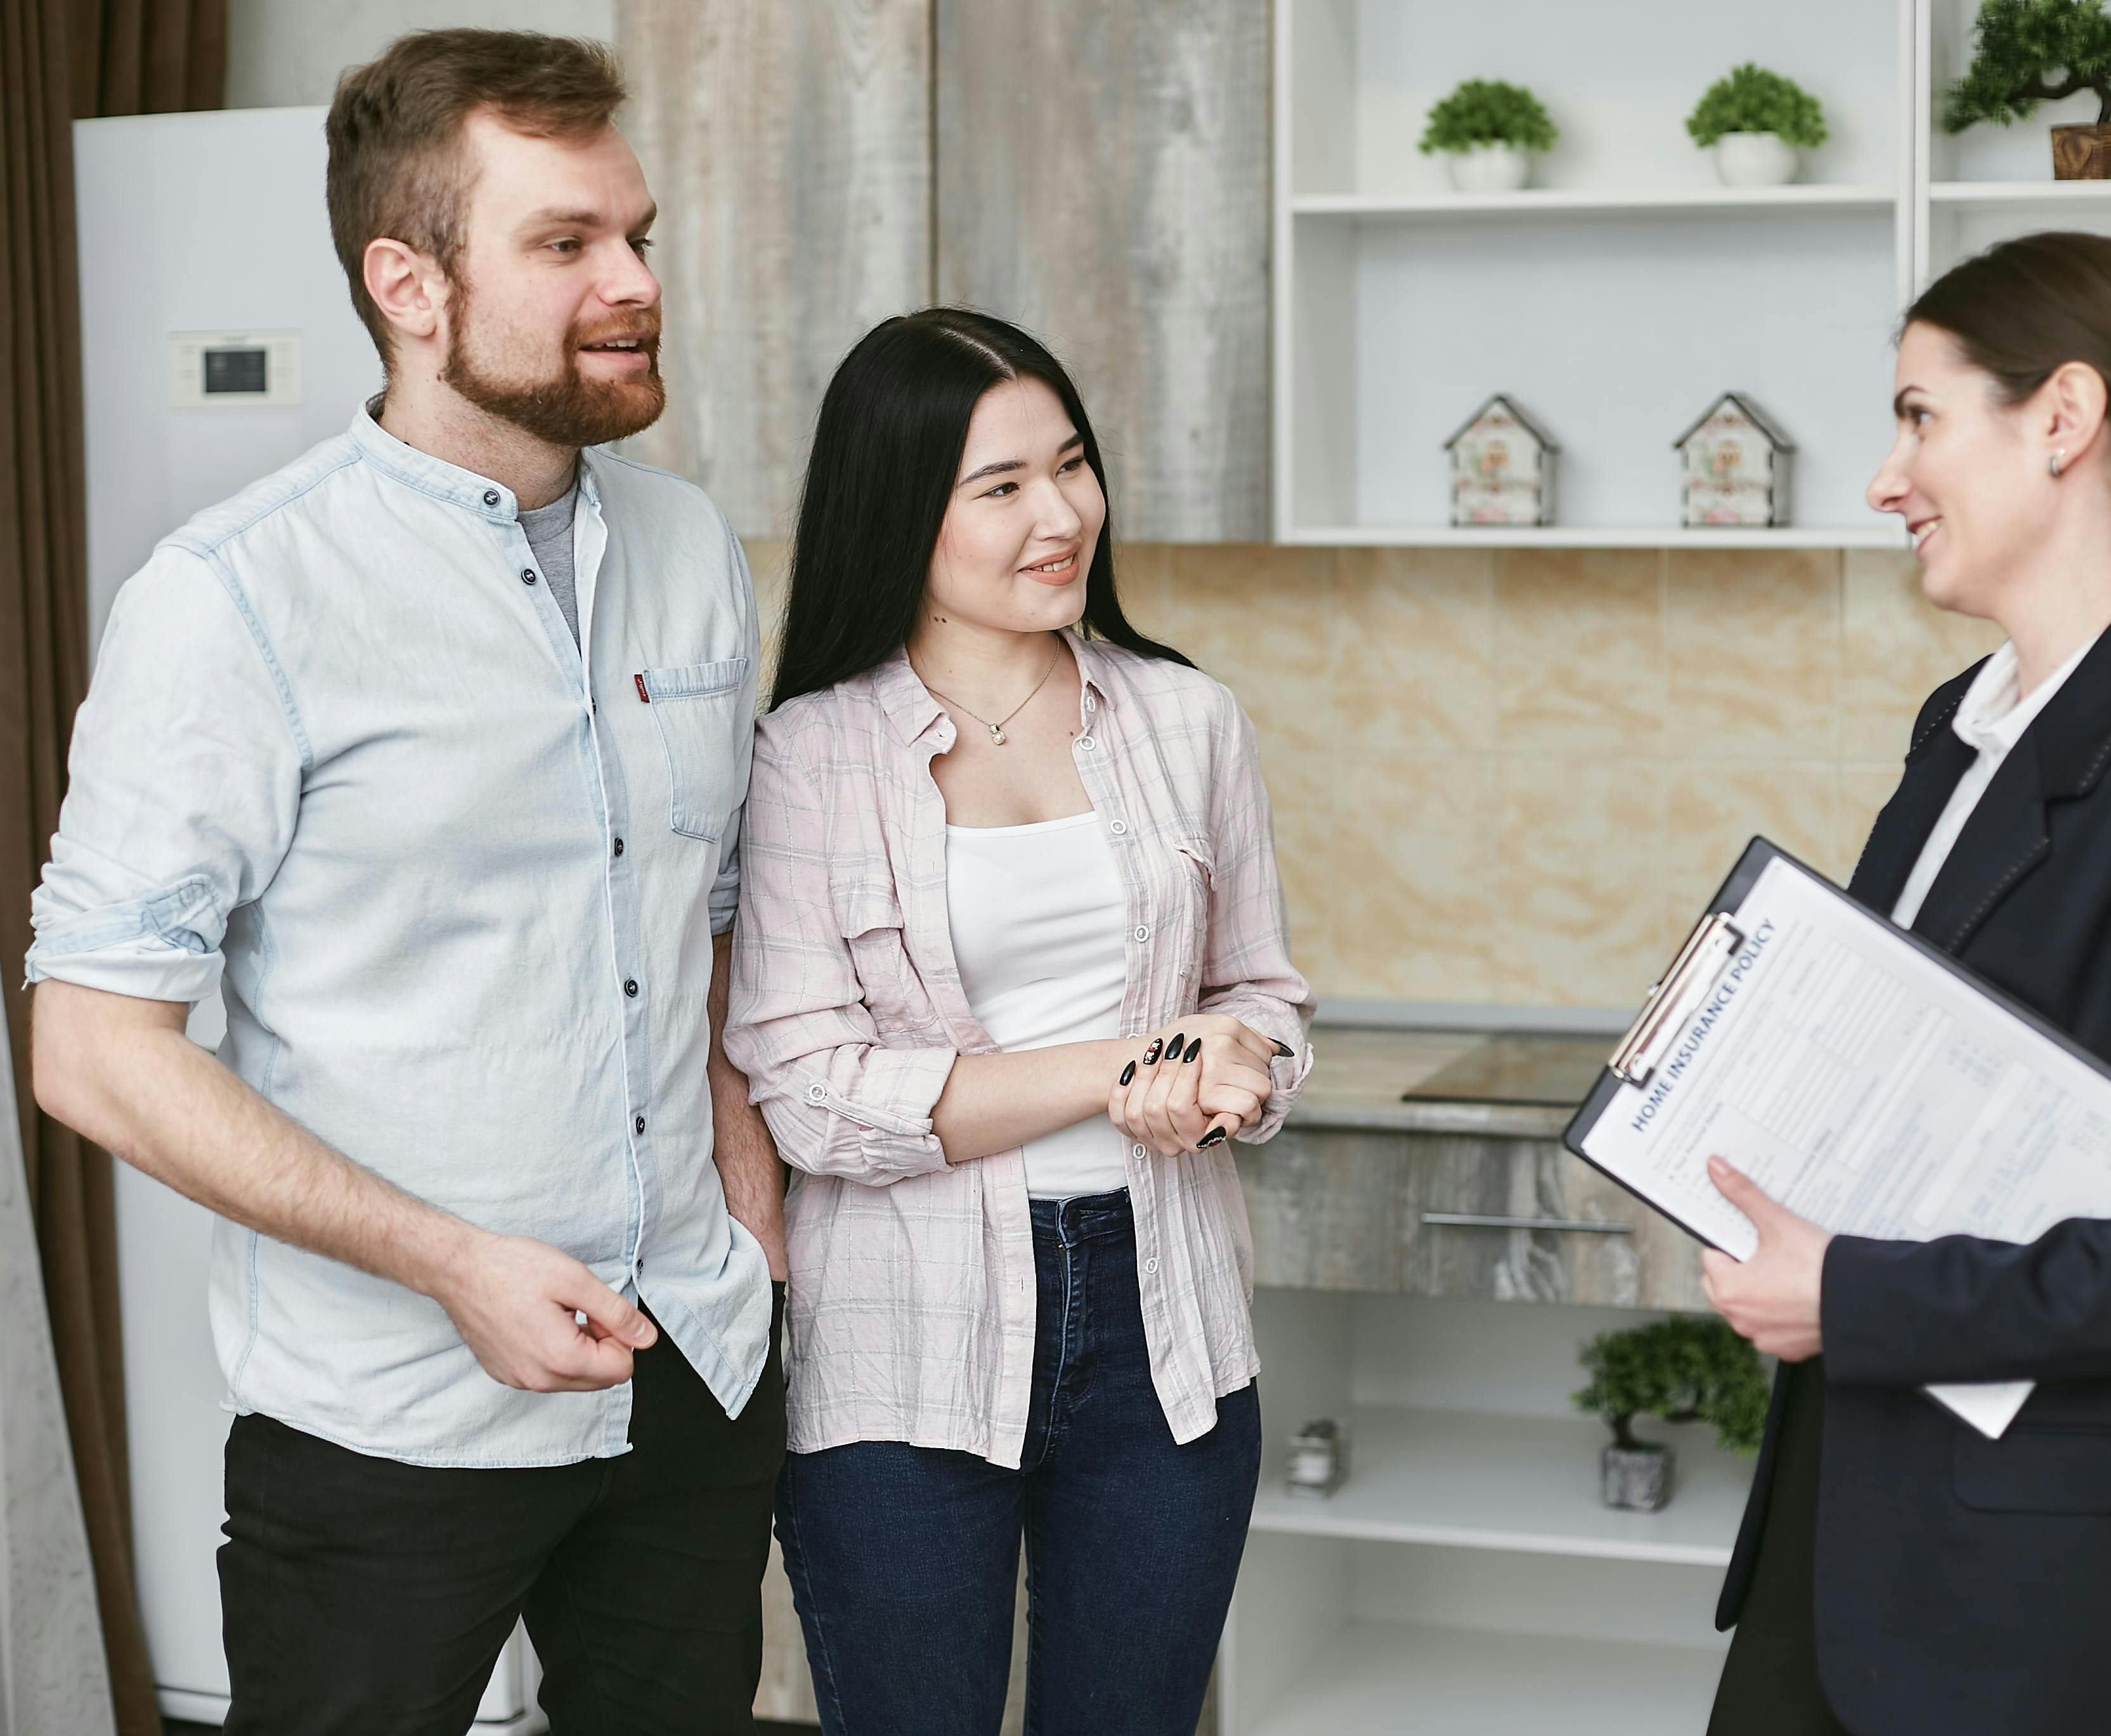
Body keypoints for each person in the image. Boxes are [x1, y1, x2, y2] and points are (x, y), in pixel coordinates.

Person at [28, 31, 786, 1736]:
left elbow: (708, 904)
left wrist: (747, 1184)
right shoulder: (232, 599)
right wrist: (449, 1259)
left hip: (694, 1369)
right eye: (566, 244)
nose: (635, 285)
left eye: (639, 236)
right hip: (389, 1423)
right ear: (408, 283)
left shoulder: (691, 554)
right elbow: (90, 1046)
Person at [1696, 231, 2111, 1736]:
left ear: (2061, 418)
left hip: (2038, 1594)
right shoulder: (1967, 723)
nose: (1884, 474)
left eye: (1919, 416)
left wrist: (1848, 1291)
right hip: (1858, 1521)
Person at [725, 307, 1312, 1735]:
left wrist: (1233, 1070)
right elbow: (812, 1096)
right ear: (898, 509)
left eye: (1072, 465)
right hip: (900, 1340)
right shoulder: (810, 753)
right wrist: (1125, 1063)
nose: (1060, 515)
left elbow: (1264, 999)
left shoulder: (1187, 719)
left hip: (1165, 1326)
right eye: (1000, 488)